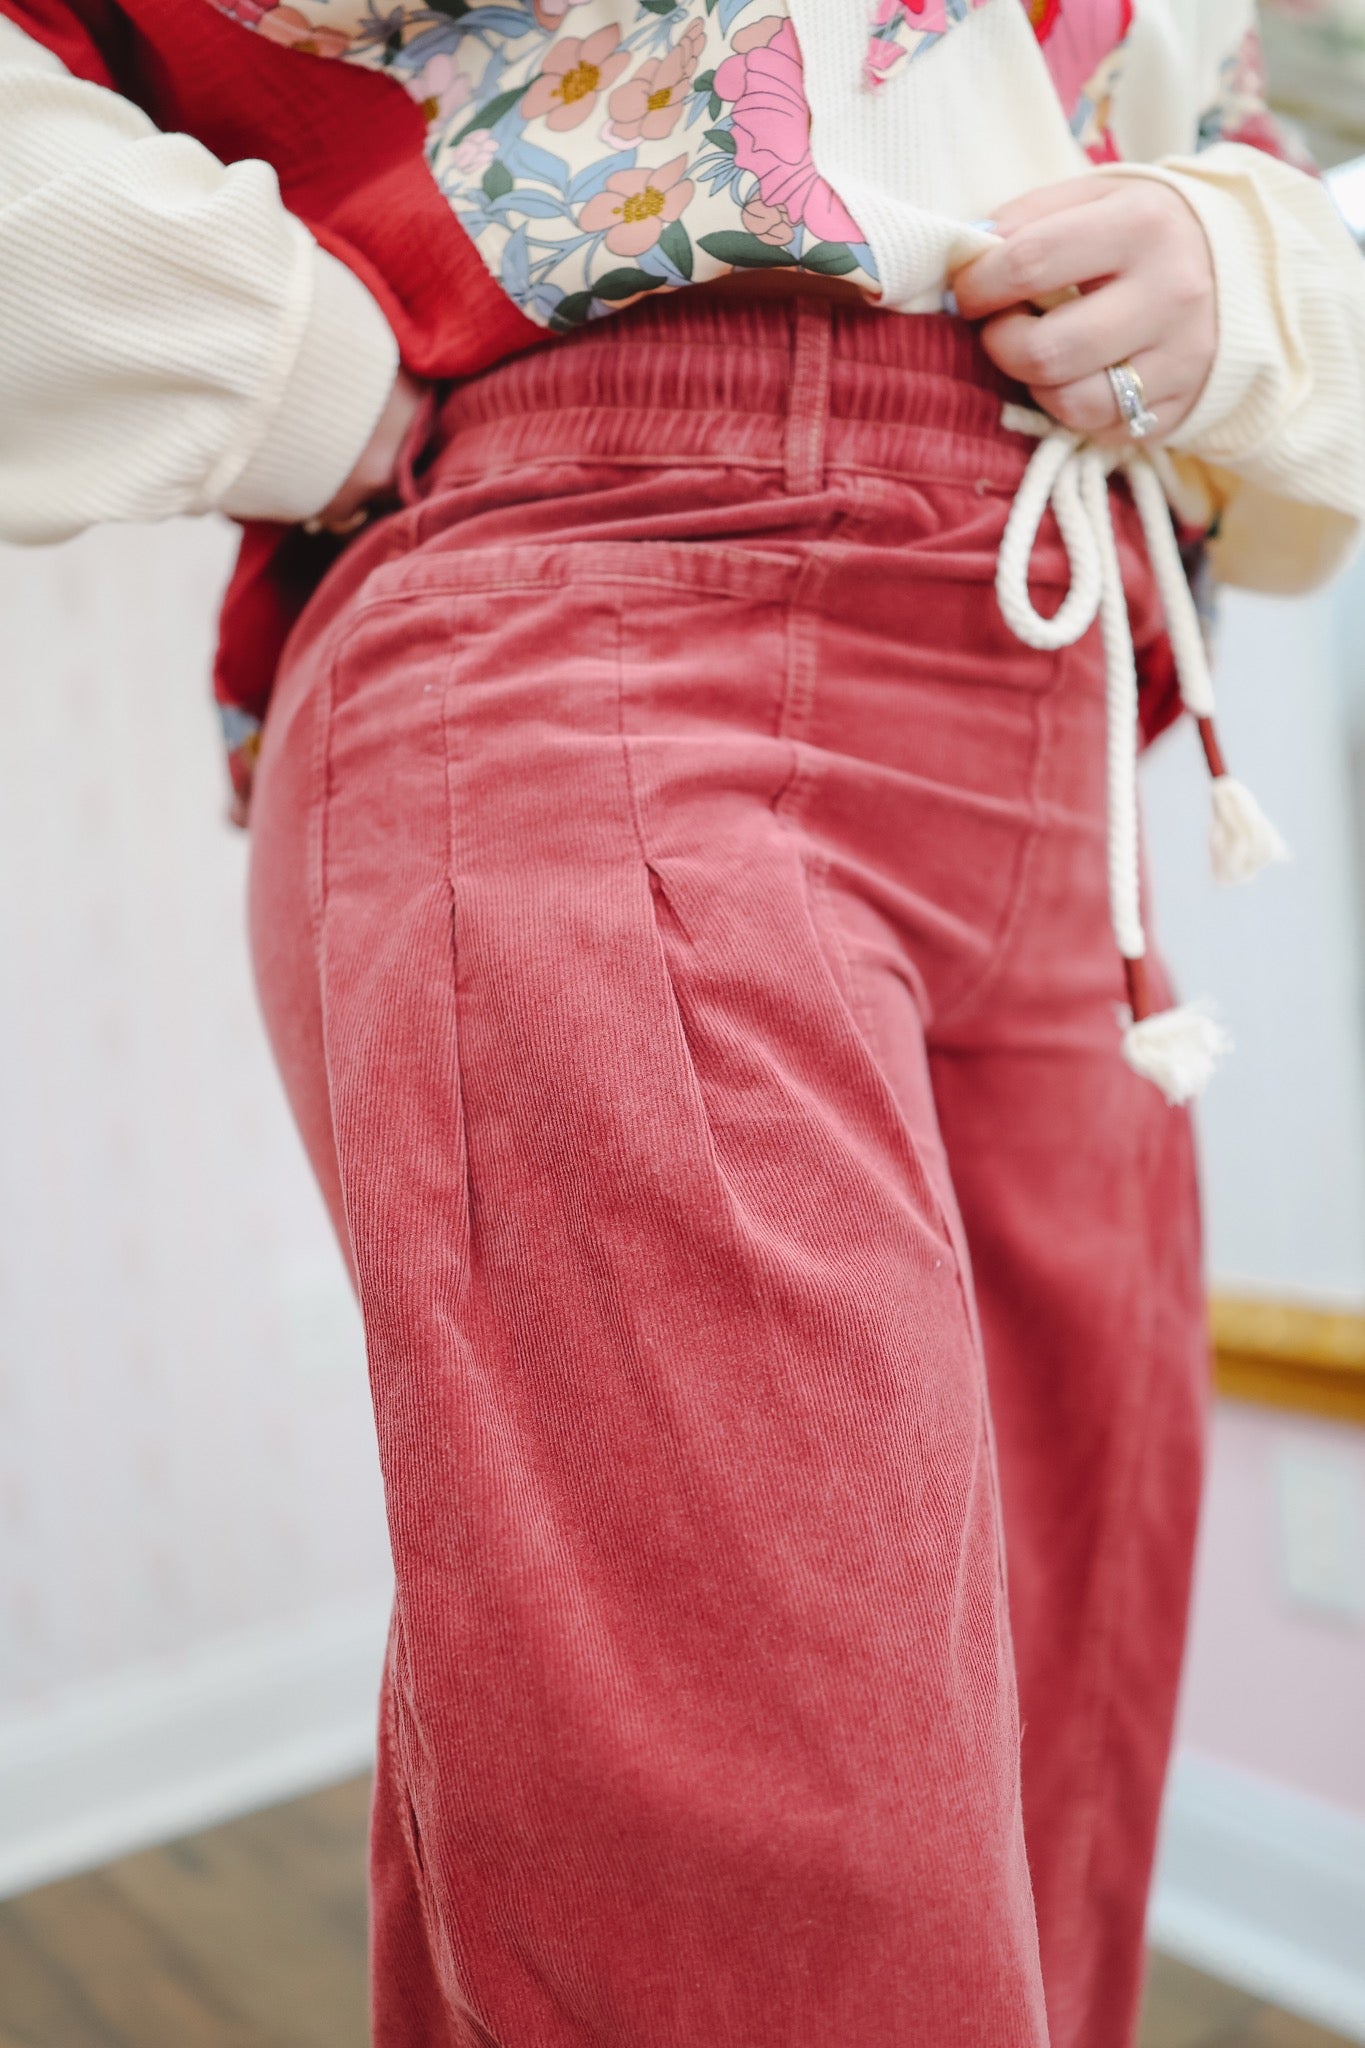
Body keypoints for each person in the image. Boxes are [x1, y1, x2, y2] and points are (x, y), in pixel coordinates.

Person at [2, 2, 1363, 2042]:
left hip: (1056, 703)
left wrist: (1239, 268)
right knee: (775, 1913)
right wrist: (285, 365)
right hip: (594, 583)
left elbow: (1235, 133)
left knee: (1039, 1790)